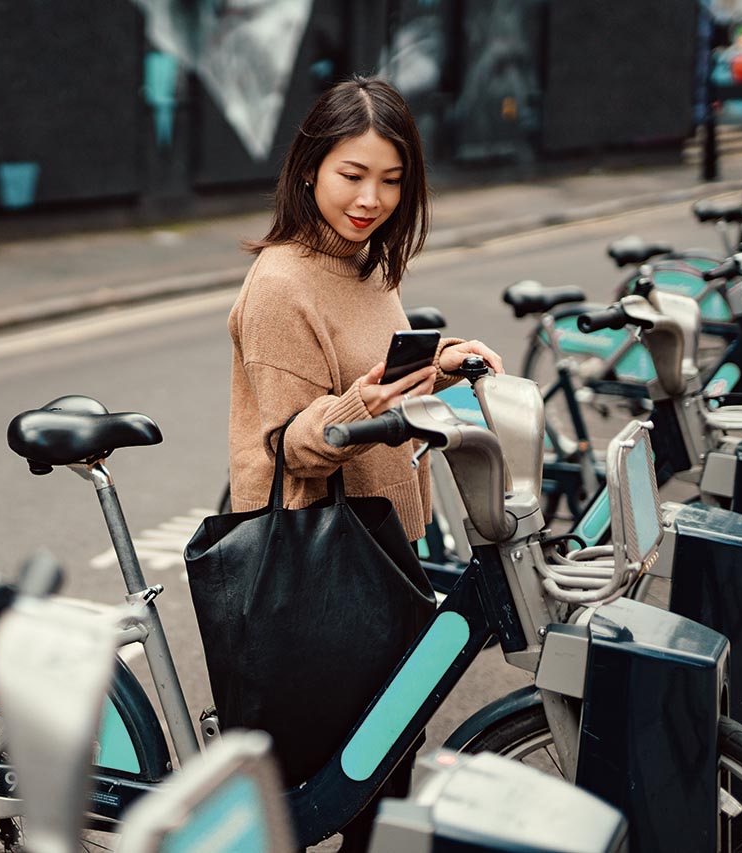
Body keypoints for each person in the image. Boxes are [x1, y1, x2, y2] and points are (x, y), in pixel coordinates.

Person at [226, 76, 503, 851]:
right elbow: (291, 442)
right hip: (321, 555)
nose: (371, 198)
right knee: (344, 779)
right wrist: (363, 400)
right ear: (310, 166)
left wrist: (444, 363)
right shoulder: (282, 284)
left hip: (382, 543)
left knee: (383, 766)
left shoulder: (366, 264)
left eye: (391, 179)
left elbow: (379, 374)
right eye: (353, 175)